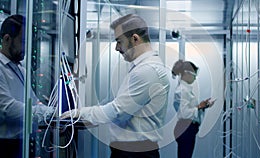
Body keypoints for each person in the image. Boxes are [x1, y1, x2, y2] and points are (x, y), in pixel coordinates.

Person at [61, 14, 170, 158]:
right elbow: (119, 108)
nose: (117, 48)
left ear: (135, 39)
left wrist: (78, 114)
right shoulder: (142, 68)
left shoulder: (148, 70)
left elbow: (117, 111)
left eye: (119, 41)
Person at [0, 14, 53, 158]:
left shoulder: (21, 69)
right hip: (4, 146)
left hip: (22, 143)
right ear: (6, 39)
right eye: (22, 41)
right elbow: (7, 108)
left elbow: (32, 101)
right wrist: (46, 114)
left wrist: (52, 113)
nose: (26, 47)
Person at [171, 60, 215, 158]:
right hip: (185, 128)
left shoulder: (186, 89)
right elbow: (184, 114)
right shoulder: (182, 90)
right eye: (194, 74)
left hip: (188, 128)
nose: (195, 77)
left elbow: (189, 109)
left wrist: (203, 106)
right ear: (186, 73)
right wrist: (199, 107)